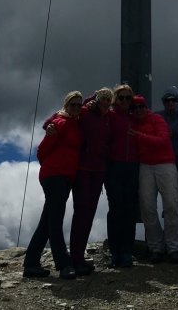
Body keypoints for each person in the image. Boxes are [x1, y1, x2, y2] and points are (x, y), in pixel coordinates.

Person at [23, 91, 83, 280]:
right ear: (66, 105)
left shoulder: (73, 123)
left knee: (47, 222)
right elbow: (42, 151)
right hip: (55, 176)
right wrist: (51, 166)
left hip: (63, 177)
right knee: (55, 221)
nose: (76, 107)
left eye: (78, 105)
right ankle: (63, 265)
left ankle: (31, 264)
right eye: (72, 104)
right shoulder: (60, 123)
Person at [130, 94, 178, 264]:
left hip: (165, 164)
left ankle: (174, 247)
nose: (138, 110)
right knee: (147, 208)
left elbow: (162, 140)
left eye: (141, 106)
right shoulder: (132, 123)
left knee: (171, 206)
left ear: (146, 107)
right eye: (134, 108)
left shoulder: (157, 119)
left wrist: (139, 136)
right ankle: (155, 247)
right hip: (145, 166)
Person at [69, 87, 113, 275]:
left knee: (89, 213)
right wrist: (49, 125)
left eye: (108, 99)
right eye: (102, 98)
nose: (104, 102)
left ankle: (78, 256)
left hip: (98, 171)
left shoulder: (108, 117)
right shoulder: (86, 111)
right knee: (81, 212)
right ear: (96, 98)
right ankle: (75, 258)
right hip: (83, 169)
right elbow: (62, 114)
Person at [104, 83, 139, 268]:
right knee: (116, 209)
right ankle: (115, 252)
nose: (125, 101)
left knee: (130, 209)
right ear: (115, 99)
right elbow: (88, 108)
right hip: (114, 166)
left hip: (133, 166)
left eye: (128, 97)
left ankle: (127, 252)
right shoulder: (109, 115)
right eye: (121, 97)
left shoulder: (136, 116)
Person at [155, 86, 178, 253]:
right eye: (167, 100)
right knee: (169, 204)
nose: (170, 103)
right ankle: (170, 238)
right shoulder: (158, 116)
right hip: (165, 165)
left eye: (173, 100)